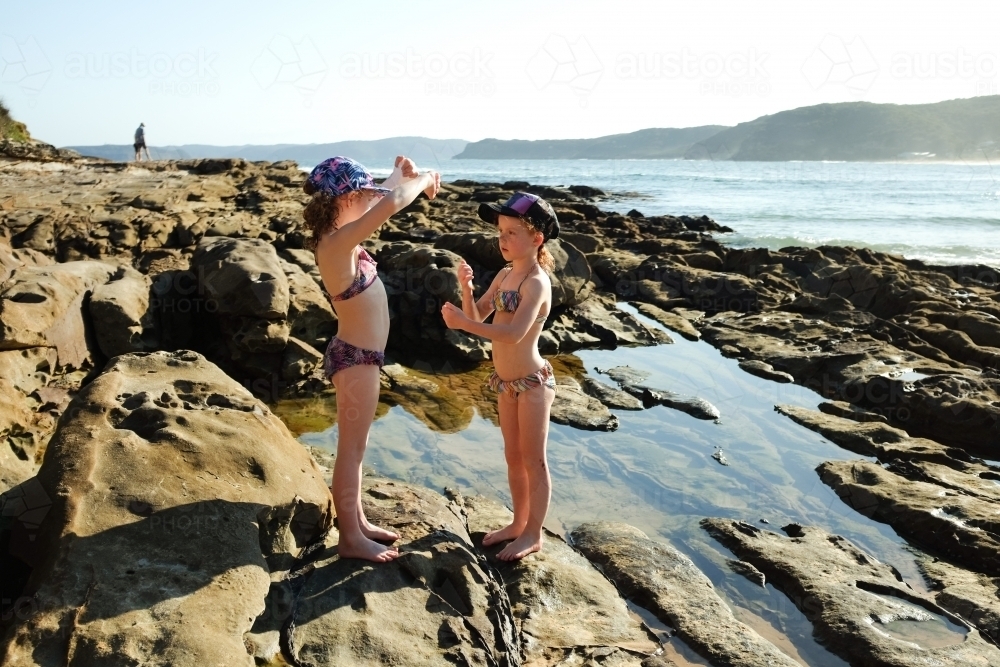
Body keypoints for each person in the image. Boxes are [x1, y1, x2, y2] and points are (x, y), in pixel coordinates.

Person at [303, 155, 440, 562]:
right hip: (357, 359)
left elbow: (385, 194)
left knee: (357, 449)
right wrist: (424, 180)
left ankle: (357, 522)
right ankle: (350, 540)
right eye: (362, 194)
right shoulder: (335, 244)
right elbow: (392, 203)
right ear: (345, 198)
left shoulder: (344, 233)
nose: (369, 199)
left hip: (363, 357)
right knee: (352, 451)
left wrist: (401, 174)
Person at [441, 192, 560, 561]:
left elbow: (514, 334)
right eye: (501, 232)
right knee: (512, 457)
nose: (503, 240)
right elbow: (477, 317)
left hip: (532, 384)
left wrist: (463, 324)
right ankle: (517, 523)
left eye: (511, 232)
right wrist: (466, 290)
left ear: (536, 238)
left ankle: (533, 534)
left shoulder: (535, 283)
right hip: (506, 384)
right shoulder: (506, 275)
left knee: (533, 460)